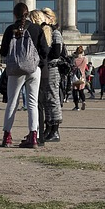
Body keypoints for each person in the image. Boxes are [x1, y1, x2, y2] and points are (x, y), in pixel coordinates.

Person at [0, 3, 49, 148]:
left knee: (12, 103)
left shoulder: (10, 30)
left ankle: (7, 136)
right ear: (27, 14)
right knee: (32, 103)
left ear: (14, 14)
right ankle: (33, 136)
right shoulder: (36, 29)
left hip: (15, 70)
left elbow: (3, 51)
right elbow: (45, 50)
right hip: (33, 69)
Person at [39, 8, 65, 143]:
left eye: (45, 17)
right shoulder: (45, 32)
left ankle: (55, 130)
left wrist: (44, 53)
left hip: (53, 69)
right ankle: (48, 127)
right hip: (46, 68)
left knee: (53, 99)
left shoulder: (55, 33)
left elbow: (56, 53)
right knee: (46, 100)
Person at [70, 47, 88, 111]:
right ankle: (83, 101)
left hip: (75, 77)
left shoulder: (75, 60)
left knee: (75, 92)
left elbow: (72, 68)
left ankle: (76, 106)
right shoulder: (85, 59)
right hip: (82, 76)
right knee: (81, 91)